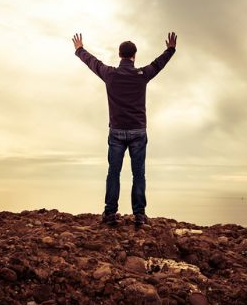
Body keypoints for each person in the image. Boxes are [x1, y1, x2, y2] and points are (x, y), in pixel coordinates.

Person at [72, 32, 177, 226]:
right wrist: (170, 49)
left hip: (117, 132)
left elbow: (92, 62)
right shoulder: (142, 75)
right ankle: (139, 215)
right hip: (138, 131)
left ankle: (110, 214)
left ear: (120, 55)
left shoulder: (110, 74)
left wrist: (79, 50)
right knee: (139, 174)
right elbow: (158, 64)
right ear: (134, 55)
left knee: (114, 172)